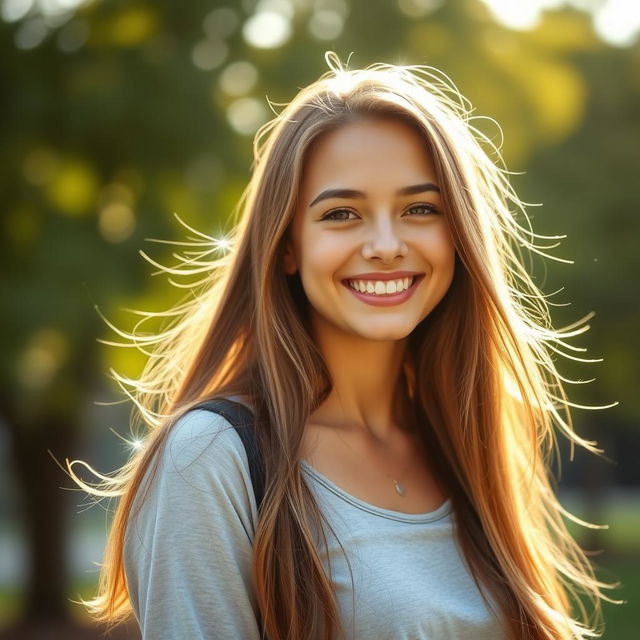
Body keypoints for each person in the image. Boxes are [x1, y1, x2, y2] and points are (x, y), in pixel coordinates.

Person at [72, 53, 618, 639]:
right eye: (341, 214)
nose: (386, 244)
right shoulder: (210, 458)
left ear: (457, 234)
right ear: (287, 246)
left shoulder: (467, 441)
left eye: (419, 209)